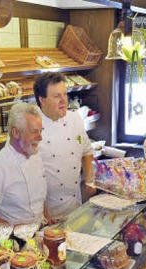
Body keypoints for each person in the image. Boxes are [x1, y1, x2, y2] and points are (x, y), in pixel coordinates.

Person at [34, 72, 95, 222]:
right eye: (56, 96)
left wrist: (89, 179)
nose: (64, 101)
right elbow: (25, 176)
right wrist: (42, 212)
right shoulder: (31, 127)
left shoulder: (74, 118)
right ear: (42, 100)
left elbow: (87, 151)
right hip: (47, 213)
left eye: (65, 94)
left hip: (75, 206)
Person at [0, 102, 47, 225]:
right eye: (34, 132)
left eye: (40, 131)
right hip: (14, 239)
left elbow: (40, 200)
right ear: (16, 133)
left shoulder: (36, 156)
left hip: (40, 230)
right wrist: (13, 231)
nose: (40, 137)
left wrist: (47, 218)